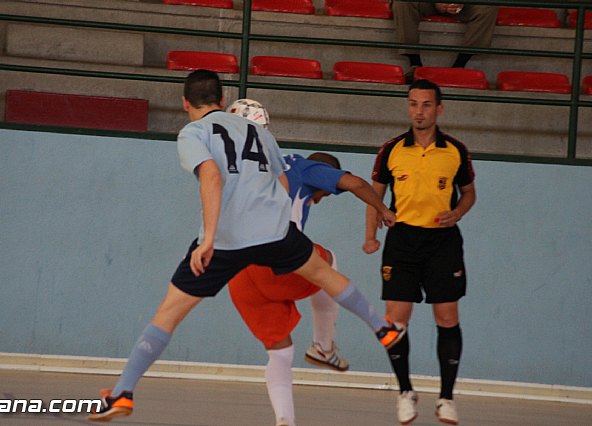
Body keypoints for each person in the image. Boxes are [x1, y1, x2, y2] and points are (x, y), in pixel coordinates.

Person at [87, 70, 405, 422]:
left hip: (226, 241)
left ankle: (123, 393)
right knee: (323, 270)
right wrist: (278, 225)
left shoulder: (193, 132)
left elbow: (210, 175)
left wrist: (207, 239)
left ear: (184, 103)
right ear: (222, 100)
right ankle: (382, 328)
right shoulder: (257, 131)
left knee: (169, 312)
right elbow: (281, 180)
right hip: (273, 232)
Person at [227, 97, 398, 426]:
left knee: (280, 352)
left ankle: (284, 421)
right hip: (274, 261)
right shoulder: (304, 167)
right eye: (322, 195)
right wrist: (383, 209)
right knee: (327, 261)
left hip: (238, 271)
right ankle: (323, 345)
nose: (318, 201)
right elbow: (357, 183)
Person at [364, 79, 476, 425]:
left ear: (439, 109)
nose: (419, 111)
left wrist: (457, 212)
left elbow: (469, 193)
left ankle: (446, 398)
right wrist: (371, 234)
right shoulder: (392, 149)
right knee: (396, 319)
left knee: (447, 318)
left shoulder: (455, 149)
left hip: (443, 243)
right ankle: (405, 391)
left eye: (426, 105)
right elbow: (374, 195)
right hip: (403, 242)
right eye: (413, 104)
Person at [391, 1, 499, 82]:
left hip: (465, 5)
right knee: (402, 2)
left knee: (488, 7)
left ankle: (460, 65)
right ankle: (414, 64)